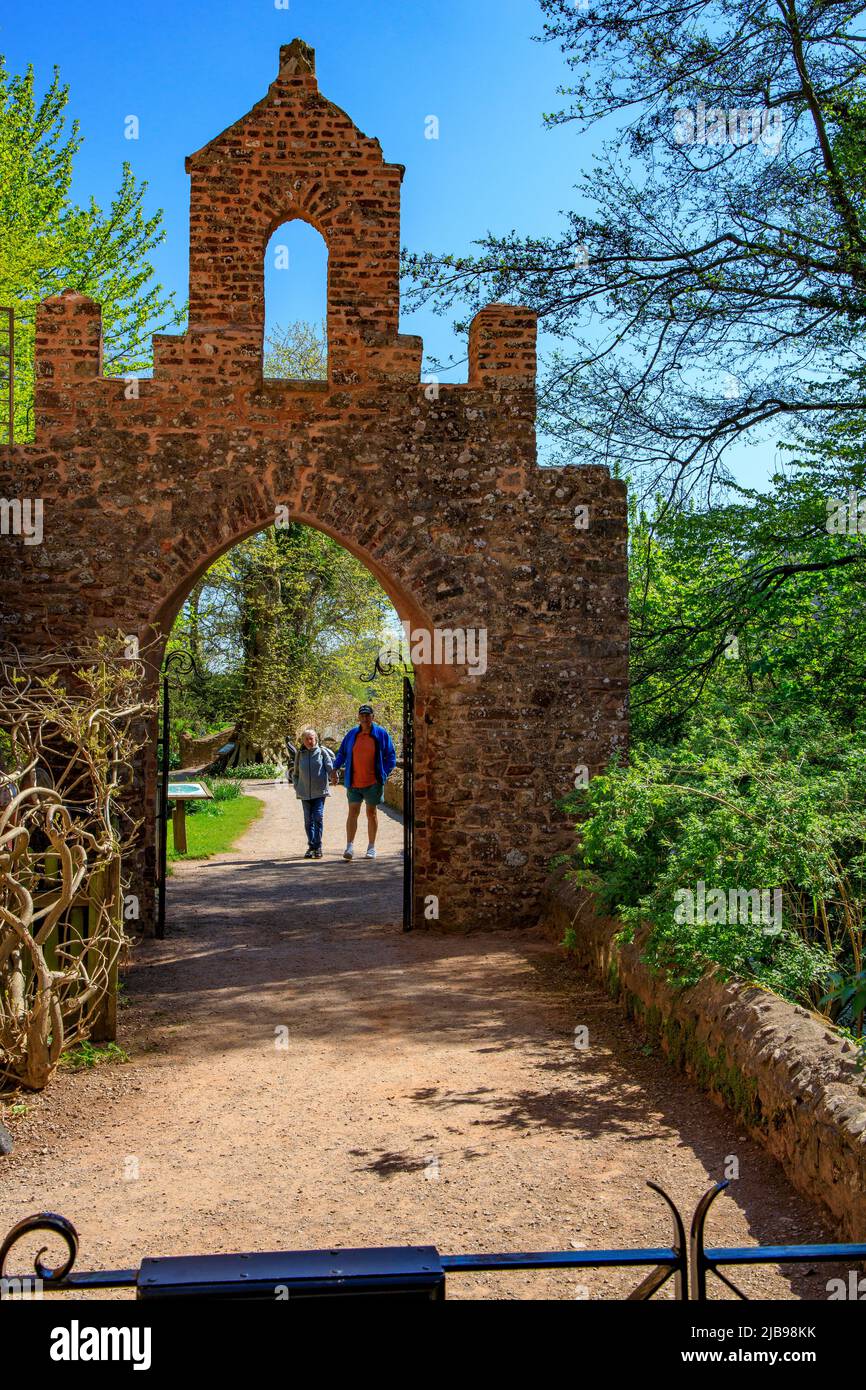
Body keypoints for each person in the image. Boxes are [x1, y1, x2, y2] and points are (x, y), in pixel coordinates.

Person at [331, 704, 396, 861]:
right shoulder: (352, 734)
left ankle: (371, 847)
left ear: (373, 717)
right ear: (358, 717)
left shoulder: (381, 734)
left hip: (373, 783)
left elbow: (391, 756)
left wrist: (383, 774)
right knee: (353, 813)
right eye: (362, 716)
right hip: (354, 782)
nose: (365, 718)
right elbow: (342, 753)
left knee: (371, 813)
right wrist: (334, 768)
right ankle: (349, 847)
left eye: (368, 715)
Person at [290, 727, 334, 860]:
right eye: (306, 739)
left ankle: (318, 846)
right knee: (308, 821)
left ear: (316, 739)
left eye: (311, 739)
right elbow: (295, 773)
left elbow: (330, 768)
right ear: (303, 741)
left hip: (319, 792)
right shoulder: (300, 754)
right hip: (304, 792)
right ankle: (311, 846)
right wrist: (297, 785)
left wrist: (334, 776)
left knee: (318, 817)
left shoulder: (322, 752)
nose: (309, 741)